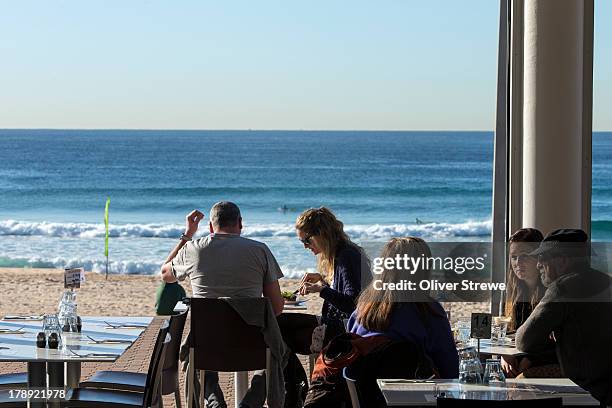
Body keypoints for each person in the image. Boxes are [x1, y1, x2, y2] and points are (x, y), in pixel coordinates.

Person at [160, 202, 285, 408]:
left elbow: (165, 275)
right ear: (240, 223)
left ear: (210, 226)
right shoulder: (260, 250)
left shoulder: (193, 249)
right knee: (279, 353)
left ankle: (214, 400)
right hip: (252, 348)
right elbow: (277, 308)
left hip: (207, 349)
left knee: (202, 343)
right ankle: (251, 403)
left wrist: (187, 235)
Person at [277, 207, 370, 407]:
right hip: (337, 325)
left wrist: (321, 290)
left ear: (321, 234)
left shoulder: (346, 256)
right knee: (277, 326)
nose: (305, 246)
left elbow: (353, 303)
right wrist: (325, 282)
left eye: (306, 240)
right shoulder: (341, 253)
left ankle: (294, 391)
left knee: (277, 329)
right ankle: (296, 388)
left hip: (345, 330)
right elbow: (345, 293)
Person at [516, 229, 612, 404]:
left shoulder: (562, 288)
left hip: (587, 390)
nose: (538, 265)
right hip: (607, 385)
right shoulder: (605, 280)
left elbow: (523, 341)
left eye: (543, 258)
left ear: (563, 260)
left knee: (518, 386)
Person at [348, 237, 459, 378]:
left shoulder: (363, 309)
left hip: (366, 397)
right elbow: (450, 369)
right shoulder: (428, 311)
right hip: (418, 398)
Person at [501, 228, 558, 377]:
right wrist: (504, 355)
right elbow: (505, 333)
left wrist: (531, 359)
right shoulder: (511, 293)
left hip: (549, 361)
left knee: (521, 378)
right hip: (519, 358)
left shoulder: (552, 293)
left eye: (525, 256)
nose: (518, 263)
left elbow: (560, 344)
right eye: (514, 257)